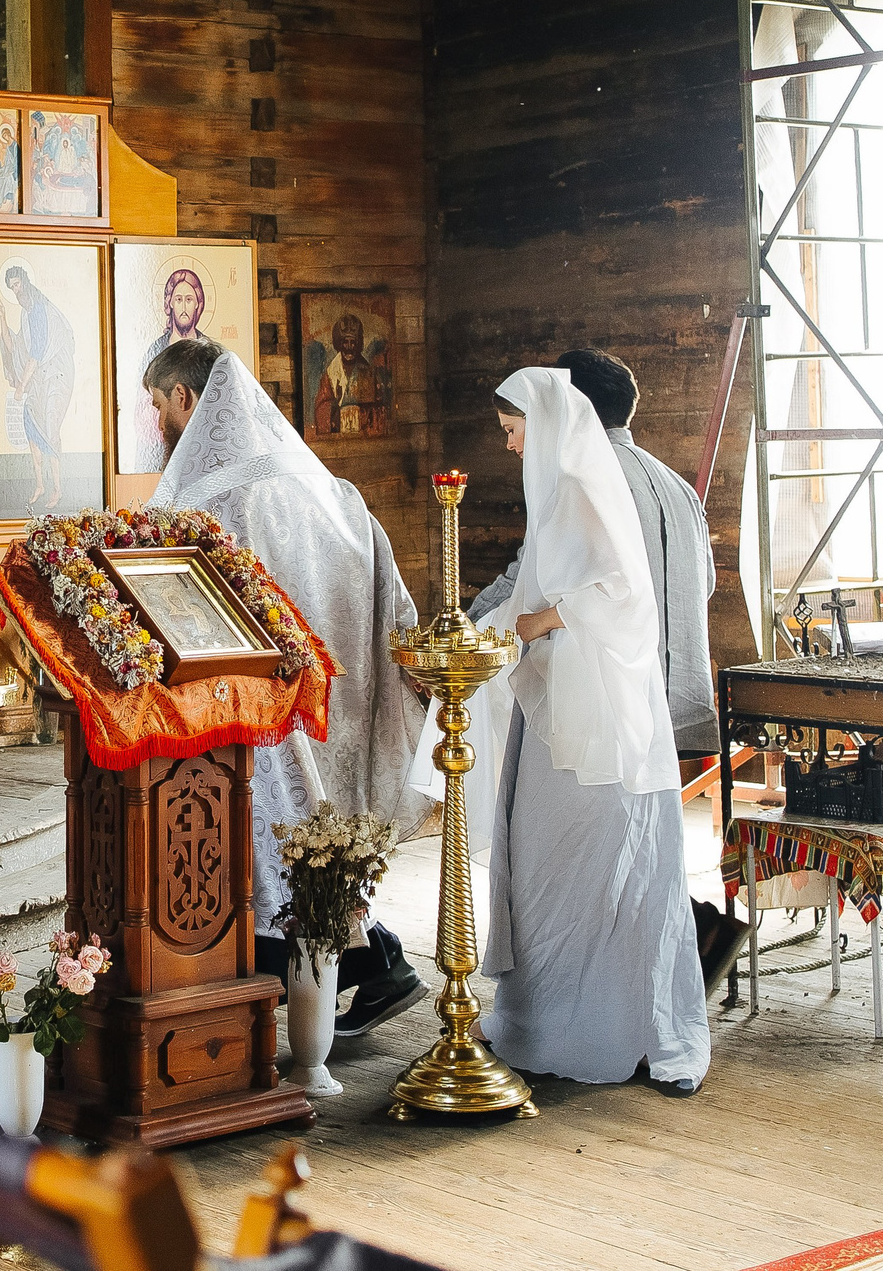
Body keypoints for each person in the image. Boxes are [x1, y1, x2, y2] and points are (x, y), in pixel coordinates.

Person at [143, 339, 429, 1037]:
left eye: (158, 406)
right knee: (323, 852)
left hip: (267, 708)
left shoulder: (210, 496)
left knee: (276, 857)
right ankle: (368, 969)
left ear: (188, 401)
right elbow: (387, 586)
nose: (157, 426)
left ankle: (324, 989)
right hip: (343, 705)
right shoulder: (317, 480)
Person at [474, 366, 708, 1092]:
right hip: (647, 691)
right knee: (601, 867)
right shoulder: (671, 483)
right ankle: (605, 1020)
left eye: (514, 432)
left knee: (571, 866)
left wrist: (510, 621)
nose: (510, 448)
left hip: (593, 703)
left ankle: (581, 1027)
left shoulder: (578, 483)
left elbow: (596, 591)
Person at [470, 347, 716, 756]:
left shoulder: (583, 481)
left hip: (617, 710)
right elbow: (703, 584)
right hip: (690, 706)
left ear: (567, 405)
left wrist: (464, 627)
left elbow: (526, 583)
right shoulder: (678, 485)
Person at [0, 263, 74, 510]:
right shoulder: (26, 314)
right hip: (37, 378)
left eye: (17, 284)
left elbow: (37, 353)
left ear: (25, 282)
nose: (15, 291)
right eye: (11, 287)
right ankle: (40, 484)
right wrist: (2, 318)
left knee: (50, 428)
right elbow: (16, 348)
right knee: (31, 425)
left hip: (53, 375)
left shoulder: (38, 309)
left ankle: (58, 489)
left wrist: (21, 386)